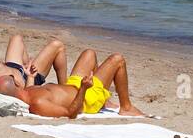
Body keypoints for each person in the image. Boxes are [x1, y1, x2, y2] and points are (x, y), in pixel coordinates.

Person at [14, 49, 145, 118]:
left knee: (89, 53)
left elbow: (30, 88)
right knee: (117, 59)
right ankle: (126, 107)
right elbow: (71, 113)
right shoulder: (37, 103)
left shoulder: (27, 93)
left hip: (73, 85)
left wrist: (30, 76)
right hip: (85, 97)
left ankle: (103, 100)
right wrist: (84, 88)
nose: (16, 82)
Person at [0, 30, 68, 97]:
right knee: (57, 45)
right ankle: (65, 88)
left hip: (12, 68)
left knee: (16, 38)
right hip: (26, 79)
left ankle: (26, 64)